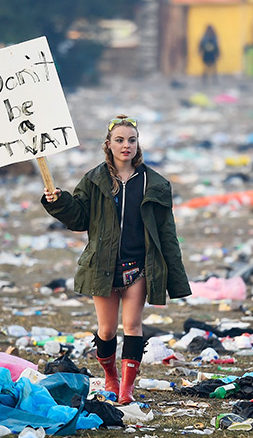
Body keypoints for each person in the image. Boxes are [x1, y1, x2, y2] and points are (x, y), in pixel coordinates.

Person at [41, 115, 191, 404]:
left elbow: (167, 234)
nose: (126, 146)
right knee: (107, 330)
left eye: (132, 140)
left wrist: (175, 277)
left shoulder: (154, 183)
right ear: (108, 144)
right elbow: (79, 218)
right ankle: (111, 376)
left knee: (133, 327)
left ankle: (127, 390)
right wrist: (58, 201)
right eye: (120, 140)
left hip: (139, 267)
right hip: (103, 266)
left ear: (138, 144)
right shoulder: (94, 180)